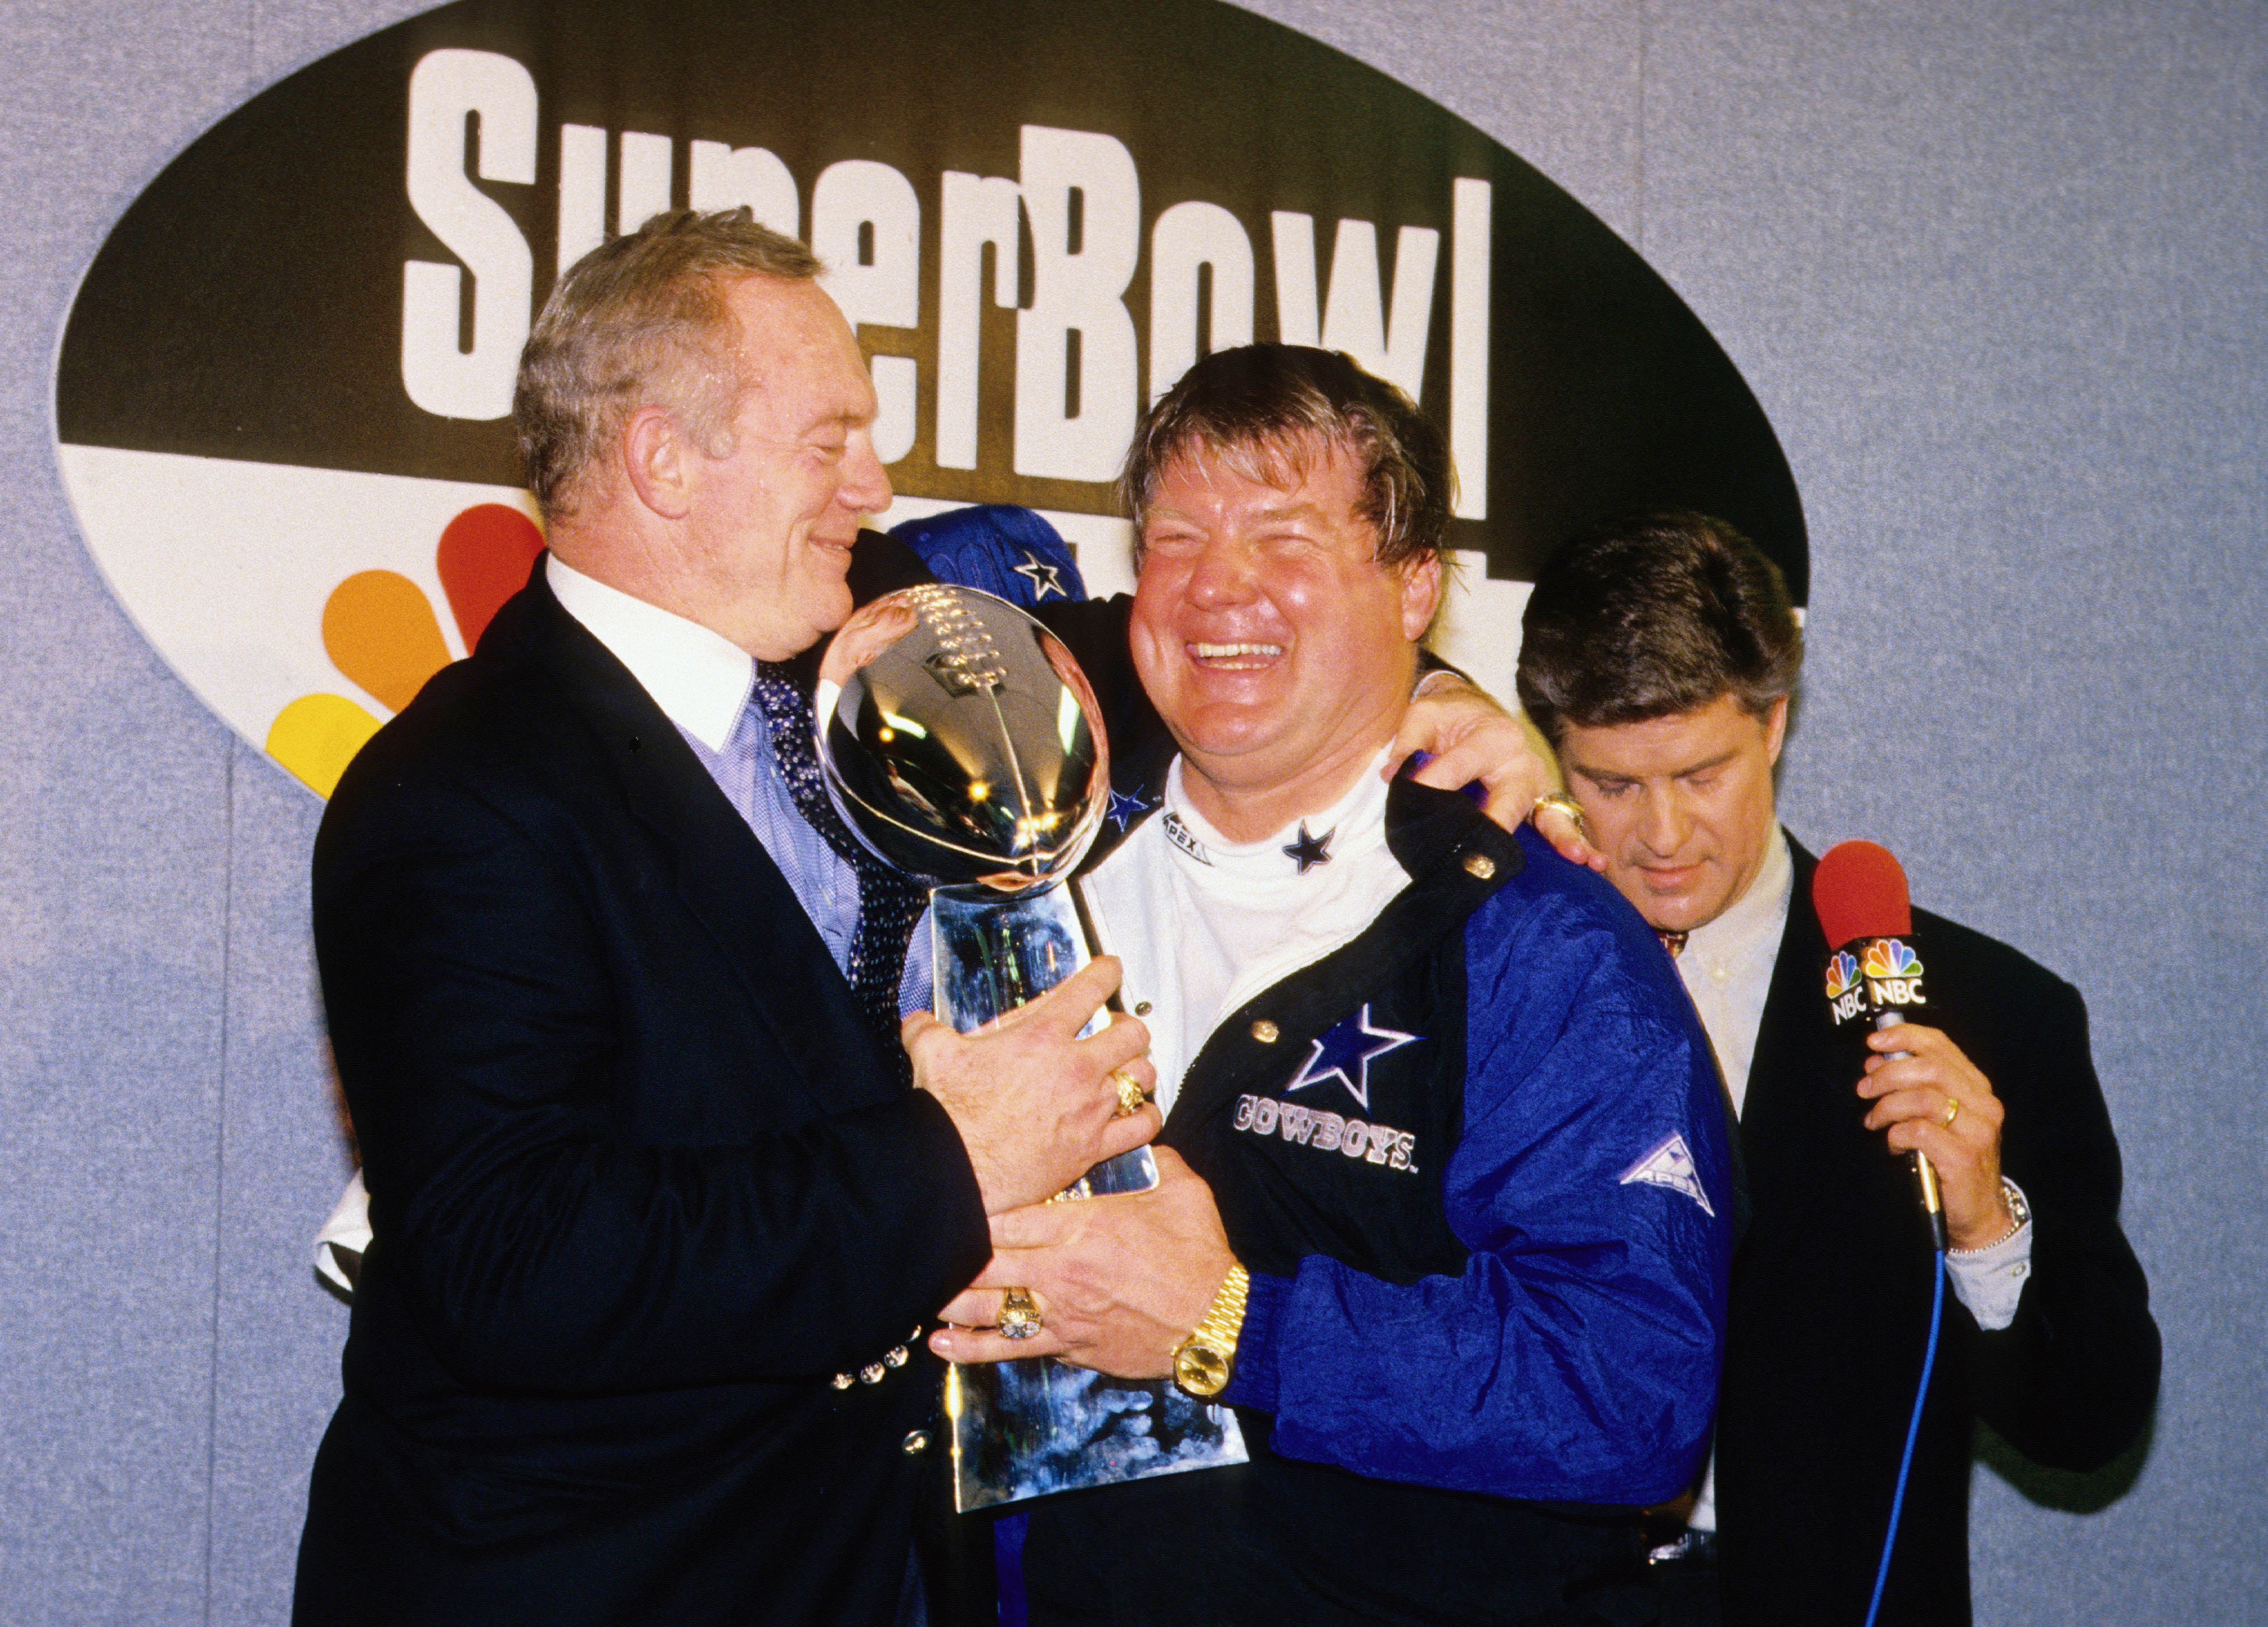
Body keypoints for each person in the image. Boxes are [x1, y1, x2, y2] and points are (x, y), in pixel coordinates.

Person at [293, 211, 1565, 1625]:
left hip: (866, 1575)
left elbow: (1206, 653)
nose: (874, 482)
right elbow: (518, 1262)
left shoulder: (884, 631)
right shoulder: (457, 795)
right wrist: (952, 1156)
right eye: (827, 440)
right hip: (585, 1585)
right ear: (662, 460)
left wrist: (1436, 698)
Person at [930, 346, 1735, 1626]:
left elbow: (1632, 1393)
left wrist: (1231, 1322)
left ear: (1415, 585)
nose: (1218, 586)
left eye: (1286, 536)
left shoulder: (1542, 939)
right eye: (1178, 535)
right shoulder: (1003, 868)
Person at [1514, 512, 2160, 1626]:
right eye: (1613, 783)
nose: (1663, 834)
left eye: (1702, 772)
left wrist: (1985, 1226)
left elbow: (2091, 1418)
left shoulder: (1992, 1013)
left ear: (1774, 723)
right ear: (1556, 749)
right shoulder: (1484, 973)